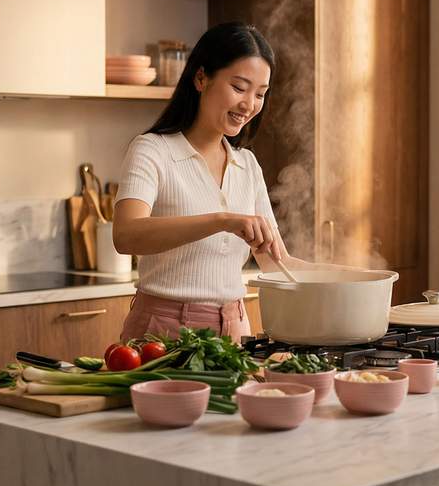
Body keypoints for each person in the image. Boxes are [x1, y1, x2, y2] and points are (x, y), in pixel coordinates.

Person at [113, 22, 310, 342]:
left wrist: (356, 280)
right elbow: (126, 235)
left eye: (260, 94)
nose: (249, 105)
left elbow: (276, 263)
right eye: (239, 87)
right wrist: (221, 221)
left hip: (233, 328)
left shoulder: (246, 164)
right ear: (201, 77)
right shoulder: (153, 150)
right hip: (162, 332)